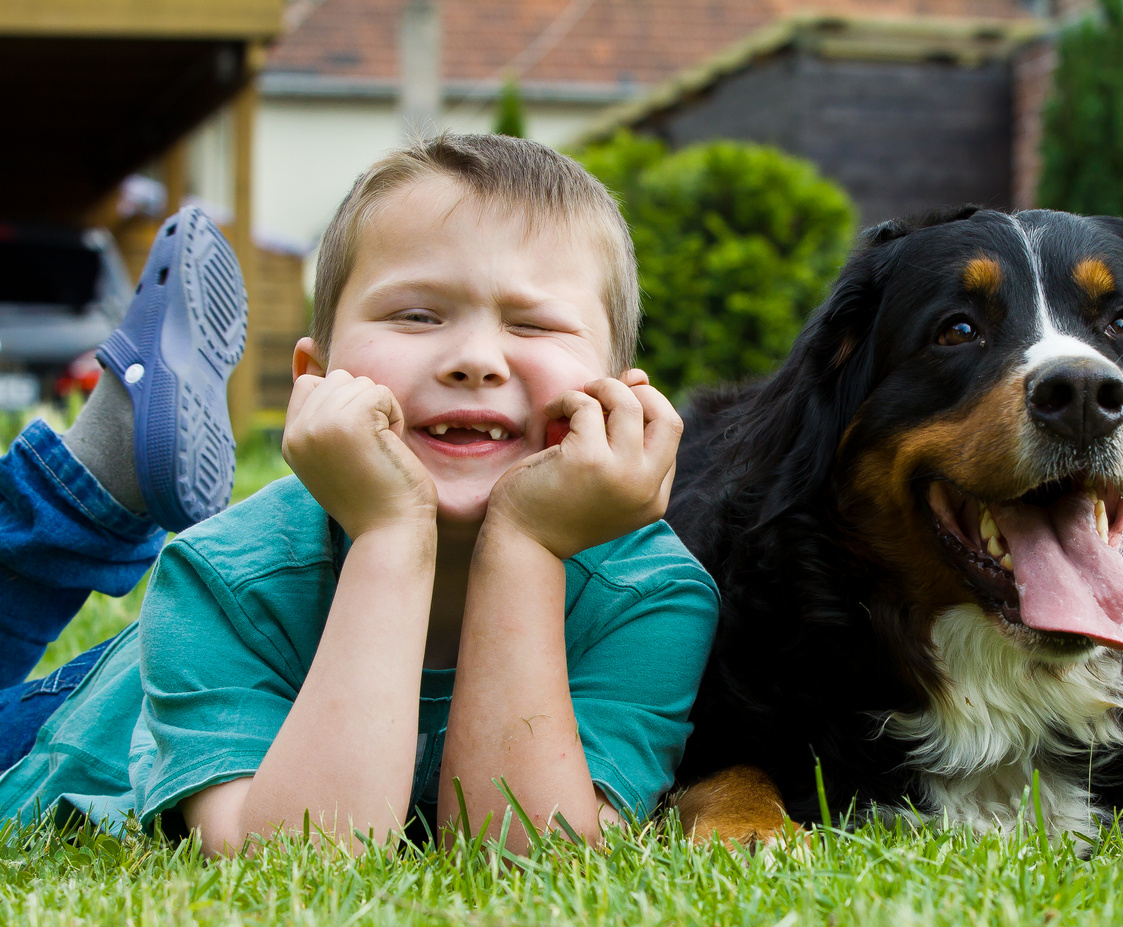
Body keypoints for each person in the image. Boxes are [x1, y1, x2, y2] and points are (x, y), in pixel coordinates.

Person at [0, 134, 718, 857]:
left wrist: (526, 545)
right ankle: (86, 489)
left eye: (532, 323)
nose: (474, 360)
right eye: (415, 315)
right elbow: (298, 860)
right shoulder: (223, 574)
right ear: (317, 376)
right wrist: (390, 535)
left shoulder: (652, 597)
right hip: (74, 733)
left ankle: (85, 497)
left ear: (620, 396)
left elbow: (520, 855)